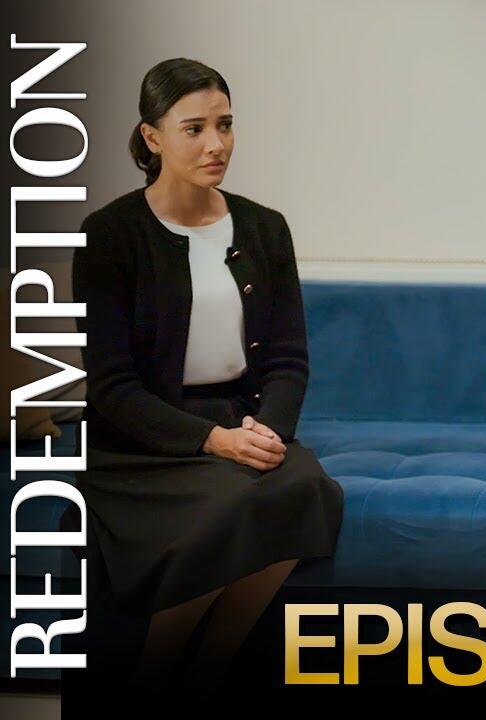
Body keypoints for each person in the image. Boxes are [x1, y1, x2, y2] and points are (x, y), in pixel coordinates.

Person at [60, 58, 345, 689]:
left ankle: (210, 667)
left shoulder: (265, 228)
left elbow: (288, 359)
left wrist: (267, 431)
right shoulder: (108, 235)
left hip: (241, 418)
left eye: (225, 124)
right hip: (144, 440)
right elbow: (111, 386)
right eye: (194, 128)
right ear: (152, 137)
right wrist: (214, 441)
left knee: (308, 489)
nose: (216, 143)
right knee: (225, 505)